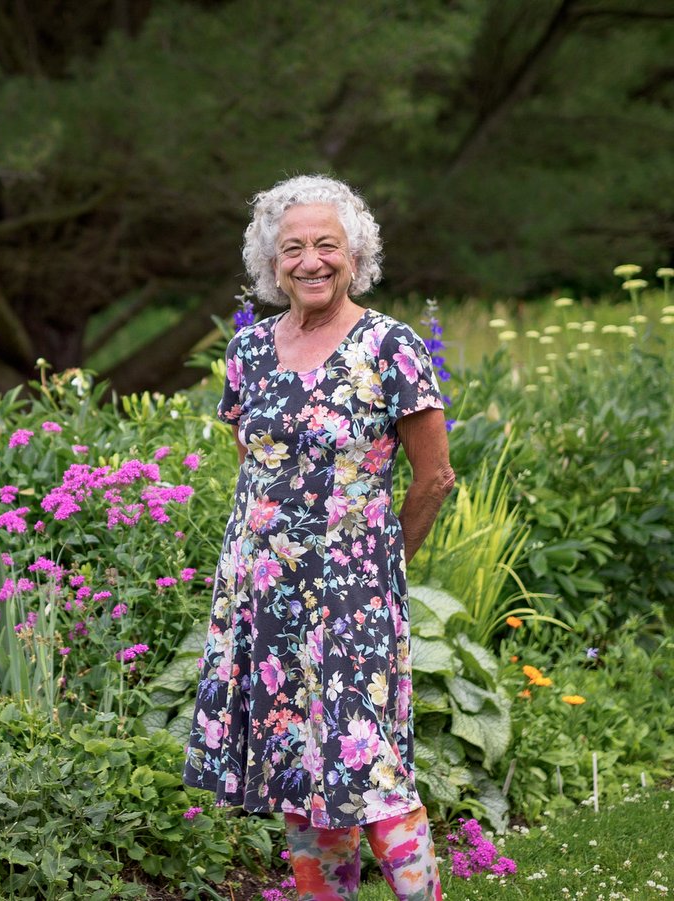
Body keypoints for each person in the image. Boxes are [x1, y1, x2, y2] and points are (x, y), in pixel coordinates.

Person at [183, 174, 454, 901]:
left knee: (369, 765)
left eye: (326, 245)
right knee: (302, 766)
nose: (310, 261)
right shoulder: (250, 353)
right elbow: (256, 465)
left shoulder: (390, 346)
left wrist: (378, 564)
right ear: (272, 263)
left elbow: (433, 479)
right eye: (292, 247)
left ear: (355, 254)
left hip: (353, 596)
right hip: (265, 592)